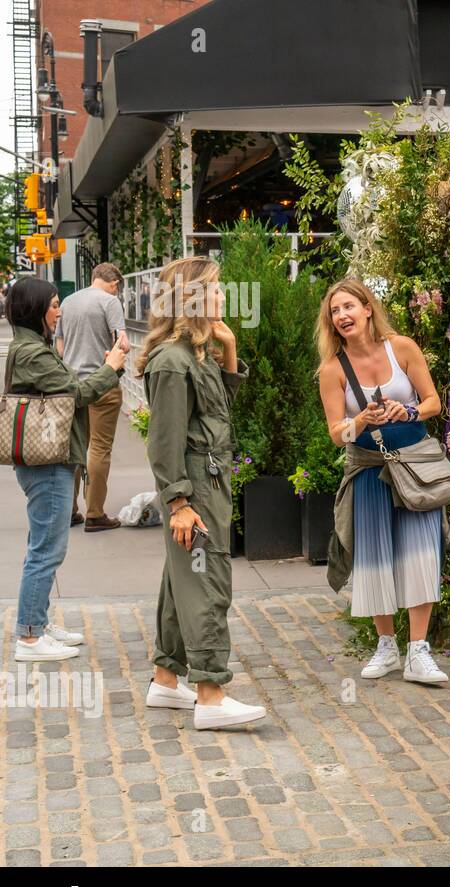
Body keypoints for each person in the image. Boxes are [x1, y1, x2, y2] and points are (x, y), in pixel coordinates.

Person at [139, 256, 265, 730]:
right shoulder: (172, 362)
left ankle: (165, 680)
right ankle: (211, 695)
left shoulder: (196, 353)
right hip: (195, 486)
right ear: (189, 297)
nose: (222, 296)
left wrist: (229, 353)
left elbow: (216, 416)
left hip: (208, 480)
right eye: (213, 289)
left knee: (182, 580)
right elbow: (163, 441)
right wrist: (179, 503)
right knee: (207, 580)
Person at [317, 277, 449, 685]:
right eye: (335, 311)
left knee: (421, 553)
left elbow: (433, 403)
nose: (342, 316)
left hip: (414, 467)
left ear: (367, 308)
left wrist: (406, 411)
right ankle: (387, 646)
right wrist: (358, 421)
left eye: (348, 307)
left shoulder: (403, 347)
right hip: (370, 470)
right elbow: (336, 433)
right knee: (375, 558)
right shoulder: (331, 369)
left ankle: (419, 652)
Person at [5, 277, 129, 662]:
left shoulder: (31, 347)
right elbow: (77, 394)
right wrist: (110, 367)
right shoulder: (32, 354)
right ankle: (29, 635)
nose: (59, 310)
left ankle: (36, 622)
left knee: (41, 545)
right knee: (47, 549)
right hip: (49, 463)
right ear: (36, 309)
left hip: (47, 461)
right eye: (54, 304)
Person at [55, 263, 130, 530]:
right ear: (114, 283)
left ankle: (69, 510)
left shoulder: (68, 300)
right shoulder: (110, 301)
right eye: (117, 286)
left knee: (76, 448)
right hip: (103, 384)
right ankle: (95, 513)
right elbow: (122, 343)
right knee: (99, 448)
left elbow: (60, 346)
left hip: (73, 386)